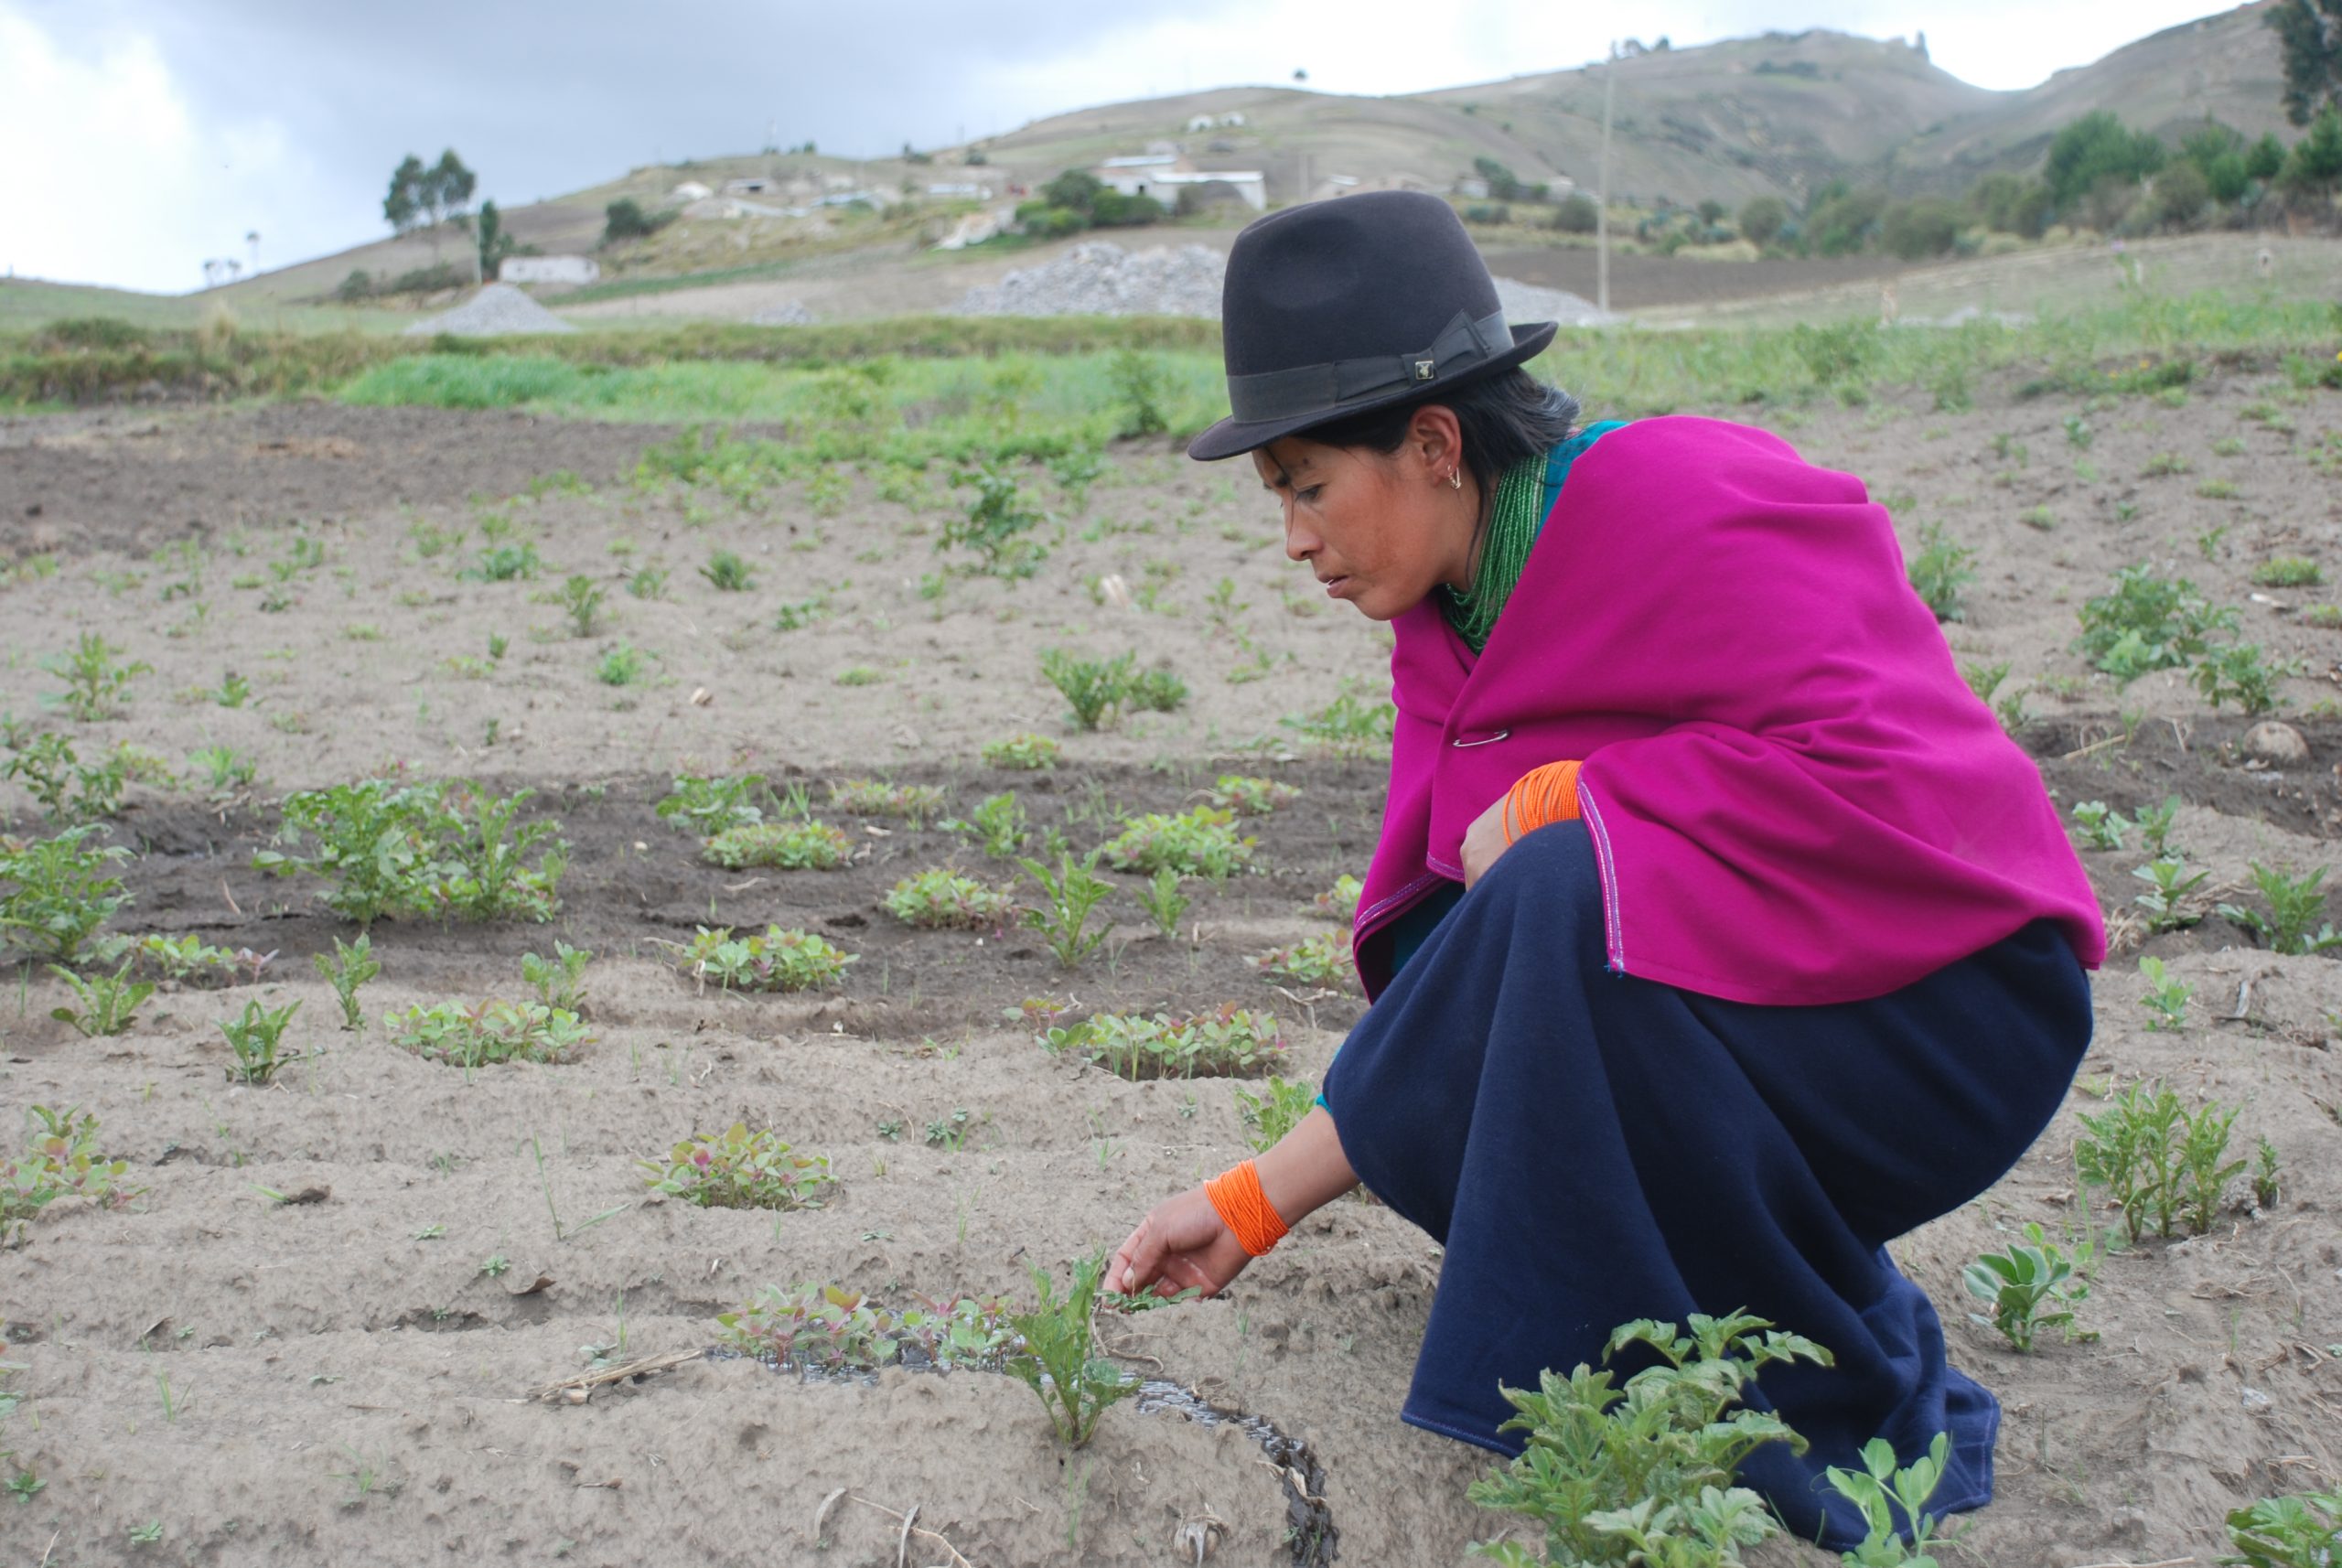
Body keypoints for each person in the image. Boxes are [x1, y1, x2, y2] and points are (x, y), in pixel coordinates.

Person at [1107, 190, 2105, 1548]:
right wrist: (1249, 1202)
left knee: (1565, 880)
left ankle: (1809, 1383)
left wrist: (1596, 796)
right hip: (1780, 983)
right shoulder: (1448, 626)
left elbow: (1912, 788)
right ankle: (1700, 1348)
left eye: (1306, 483)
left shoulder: (1678, 498)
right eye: (1276, 495)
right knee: (1537, 914)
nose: (1292, 535)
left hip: (1948, 1002)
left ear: (1436, 442)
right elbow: (1473, 981)